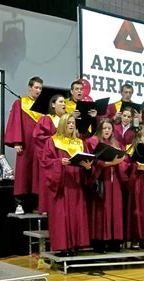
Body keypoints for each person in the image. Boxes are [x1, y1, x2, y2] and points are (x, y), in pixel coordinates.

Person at [41, 113, 92, 256]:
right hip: (61, 184)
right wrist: (59, 162)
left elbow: (89, 161)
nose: (71, 125)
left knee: (76, 214)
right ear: (63, 124)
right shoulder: (53, 141)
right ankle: (63, 247)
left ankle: (75, 245)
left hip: (76, 183)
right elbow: (45, 163)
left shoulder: (81, 143)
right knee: (61, 216)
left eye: (73, 123)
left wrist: (88, 167)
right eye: (68, 123)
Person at [85, 119, 126, 253]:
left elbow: (124, 162)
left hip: (116, 183)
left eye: (109, 128)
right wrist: (108, 163)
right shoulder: (92, 142)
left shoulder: (117, 143)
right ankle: (100, 242)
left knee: (116, 212)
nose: (107, 131)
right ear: (99, 129)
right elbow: (92, 162)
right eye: (104, 128)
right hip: (102, 181)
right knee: (102, 212)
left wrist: (120, 161)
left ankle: (115, 242)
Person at [4, 76, 43, 213]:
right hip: (25, 145)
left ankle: (37, 204)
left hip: (39, 146)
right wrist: (16, 142)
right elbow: (15, 123)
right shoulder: (20, 103)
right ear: (30, 88)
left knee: (37, 174)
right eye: (36, 87)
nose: (38, 90)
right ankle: (19, 204)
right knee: (23, 173)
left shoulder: (43, 107)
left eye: (40, 88)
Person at [32, 94, 66, 214]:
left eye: (64, 102)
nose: (64, 104)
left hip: (64, 157)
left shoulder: (67, 121)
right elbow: (38, 137)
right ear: (53, 104)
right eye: (61, 102)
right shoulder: (46, 119)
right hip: (51, 156)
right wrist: (55, 138)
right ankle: (47, 208)